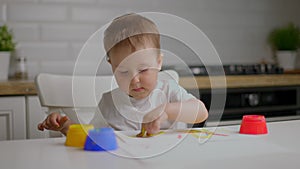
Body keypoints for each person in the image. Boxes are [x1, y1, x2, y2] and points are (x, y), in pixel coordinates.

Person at [37, 13, 208, 136]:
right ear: (111, 66)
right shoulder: (109, 104)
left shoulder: (169, 90)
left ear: (158, 62)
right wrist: (66, 127)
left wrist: (167, 110)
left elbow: (201, 112)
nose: (134, 79)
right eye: (123, 71)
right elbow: (91, 138)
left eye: (143, 70)